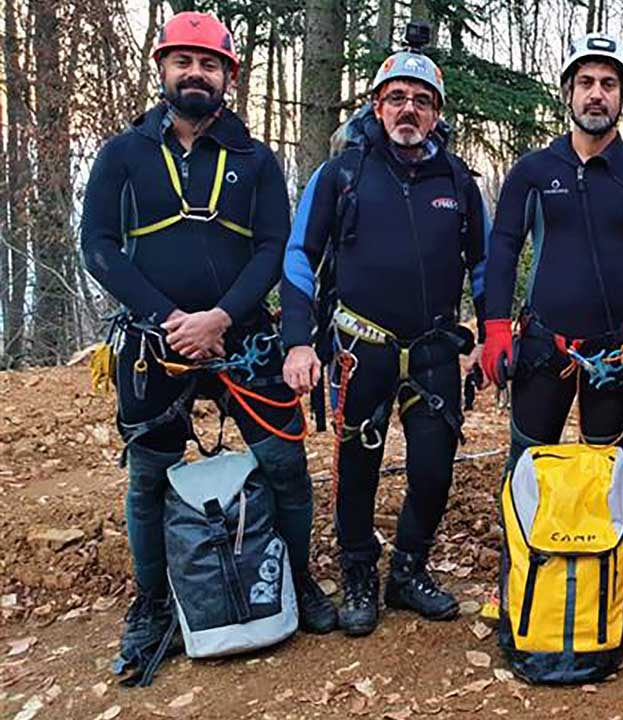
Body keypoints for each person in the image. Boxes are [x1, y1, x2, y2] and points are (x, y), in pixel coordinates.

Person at [80, 11, 337, 675]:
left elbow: (275, 247)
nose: (196, 73)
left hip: (245, 339)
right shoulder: (123, 154)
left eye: (210, 64)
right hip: (153, 343)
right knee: (148, 479)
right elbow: (99, 247)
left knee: (284, 466)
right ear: (163, 68)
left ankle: (297, 578)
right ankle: (152, 606)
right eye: (184, 61)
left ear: (229, 76)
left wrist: (221, 316)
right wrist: (171, 318)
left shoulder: (254, 160)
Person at [280, 49, 486, 636]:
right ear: (377, 104)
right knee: (357, 466)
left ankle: (409, 569)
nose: (408, 110)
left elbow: (487, 264)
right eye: (397, 97)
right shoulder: (342, 174)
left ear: (436, 113)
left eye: (422, 101)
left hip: (433, 347)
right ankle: (358, 572)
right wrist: (299, 342)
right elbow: (300, 256)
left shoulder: (457, 181)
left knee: (433, 466)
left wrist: (486, 335)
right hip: (357, 345)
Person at [481, 32, 623, 465]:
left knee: (605, 468)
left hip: (617, 349)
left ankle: (602, 535)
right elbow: (503, 249)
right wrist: (495, 328)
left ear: (622, 97)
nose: (596, 94)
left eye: (608, 84)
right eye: (585, 82)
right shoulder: (532, 171)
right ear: (567, 92)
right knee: (530, 466)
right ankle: (523, 537)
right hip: (541, 345)